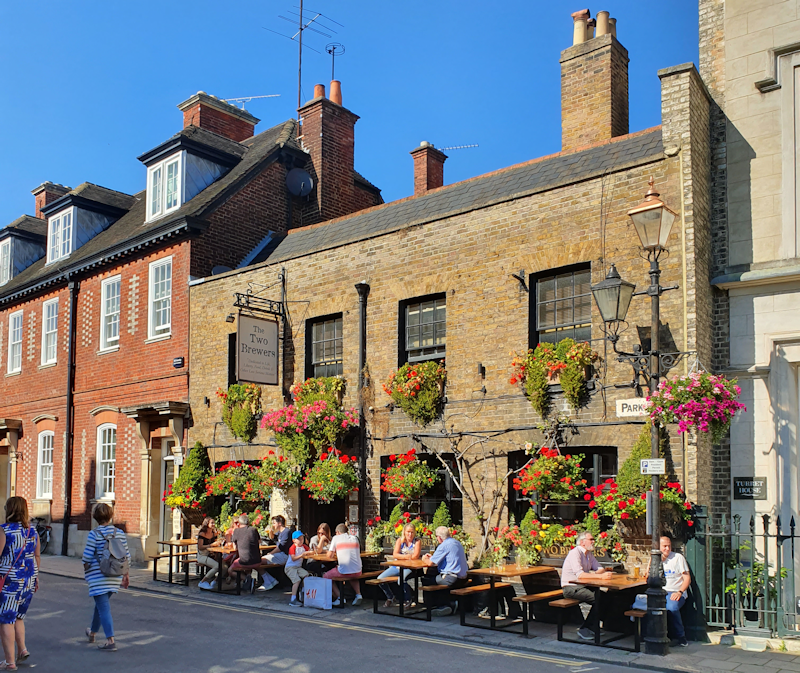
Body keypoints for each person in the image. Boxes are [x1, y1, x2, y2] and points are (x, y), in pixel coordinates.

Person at [82, 503, 131, 652]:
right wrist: (126, 575)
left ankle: (110, 640)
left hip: (98, 577)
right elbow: (126, 556)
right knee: (100, 605)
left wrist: (86, 568)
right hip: (114, 575)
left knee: (103, 608)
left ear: (95, 517)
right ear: (110, 516)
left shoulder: (94, 534)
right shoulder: (120, 533)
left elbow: (87, 557)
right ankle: (92, 633)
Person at [0, 497, 39, 670]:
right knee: (18, 616)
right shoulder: (32, 531)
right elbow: (36, 556)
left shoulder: (4, 531)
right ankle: (22, 649)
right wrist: (36, 576)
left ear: (9, 510)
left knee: (6, 619)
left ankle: (10, 662)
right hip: (29, 579)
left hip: (10, 581)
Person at [633, 536, 691, 647]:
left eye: (669, 546)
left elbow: (687, 578)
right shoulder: (655, 559)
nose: (667, 549)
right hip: (659, 591)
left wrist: (679, 592)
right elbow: (648, 577)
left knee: (671, 607)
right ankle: (644, 634)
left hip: (675, 590)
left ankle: (680, 637)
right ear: (658, 547)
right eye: (664, 546)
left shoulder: (678, 558)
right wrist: (653, 562)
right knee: (642, 605)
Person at [561, 530, 614, 641]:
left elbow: (599, 568)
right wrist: (600, 576)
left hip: (583, 586)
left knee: (607, 598)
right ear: (582, 542)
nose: (593, 541)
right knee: (599, 599)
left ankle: (592, 627)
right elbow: (580, 575)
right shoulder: (575, 553)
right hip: (570, 588)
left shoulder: (588, 554)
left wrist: (601, 572)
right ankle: (585, 629)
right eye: (591, 539)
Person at [422, 526, 469, 615]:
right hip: (463, 577)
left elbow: (430, 563)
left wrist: (424, 559)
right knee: (437, 578)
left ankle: (442, 605)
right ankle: (449, 603)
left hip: (451, 578)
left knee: (427, 580)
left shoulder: (443, 545)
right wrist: (433, 558)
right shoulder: (457, 543)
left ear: (439, 537)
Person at [376, 522, 421, 607]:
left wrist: (402, 556)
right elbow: (395, 554)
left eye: (412, 532)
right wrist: (408, 556)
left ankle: (408, 599)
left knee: (401, 580)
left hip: (410, 568)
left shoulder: (417, 541)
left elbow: (415, 556)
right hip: (397, 567)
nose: (410, 534)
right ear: (404, 532)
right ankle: (390, 597)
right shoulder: (400, 541)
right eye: (408, 532)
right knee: (380, 579)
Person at [325, 523, 363, 606]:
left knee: (326, 576)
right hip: (358, 570)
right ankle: (358, 594)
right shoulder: (355, 538)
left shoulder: (336, 538)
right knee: (352, 573)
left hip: (344, 571)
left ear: (337, 532)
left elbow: (329, 556)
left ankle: (340, 597)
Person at [229, 515, 263, 593]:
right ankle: (248, 582)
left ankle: (248, 580)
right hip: (257, 561)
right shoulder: (254, 530)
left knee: (230, 570)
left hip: (244, 561)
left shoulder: (237, 531)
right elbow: (259, 542)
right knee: (247, 560)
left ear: (239, 523)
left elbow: (235, 548)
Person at [259, 515, 291, 591]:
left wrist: (270, 553)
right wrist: (271, 532)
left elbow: (280, 547)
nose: (273, 525)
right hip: (279, 554)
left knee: (258, 561)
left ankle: (268, 581)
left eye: (274, 523)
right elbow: (273, 538)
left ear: (279, 523)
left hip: (284, 555)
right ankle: (269, 580)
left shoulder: (286, 532)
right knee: (258, 561)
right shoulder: (279, 532)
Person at [197, 517, 225, 590]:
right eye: (211, 523)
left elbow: (216, 543)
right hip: (202, 556)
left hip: (211, 555)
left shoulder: (213, 533)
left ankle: (214, 581)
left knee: (225, 567)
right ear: (207, 524)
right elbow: (200, 547)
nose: (213, 524)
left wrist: (218, 542)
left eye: (214, 523)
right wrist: (212, 545)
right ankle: (202, 582)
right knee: (217, 566)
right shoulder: (202, 533)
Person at [286, 531, 311, 607]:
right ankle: (293, 599)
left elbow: (309, 551)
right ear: (294, 540)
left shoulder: (304, 546)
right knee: (297, 580)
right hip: (290, 567)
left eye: (302, 538)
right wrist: (302, 555)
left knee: (306, 575)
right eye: (299, 539)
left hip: (298, 567)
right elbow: (293, 558)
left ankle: (303, 592)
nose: (301, 540)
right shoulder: (293, 547)